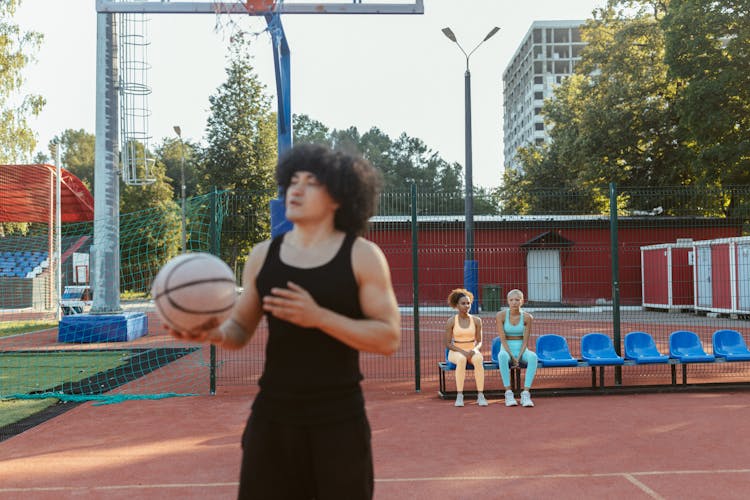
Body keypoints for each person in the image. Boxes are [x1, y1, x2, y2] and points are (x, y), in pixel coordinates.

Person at [166, 143, 401, 500]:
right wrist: (211, 331)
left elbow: (388, 338)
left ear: (338, 197)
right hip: (273, 418)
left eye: (311, 182)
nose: (296, 189)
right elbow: (240, 330)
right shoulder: (263, 256)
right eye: (293, 180)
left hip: (338, 420)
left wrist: (318, 316)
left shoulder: (362, 256)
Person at [444, 288, 489, 407]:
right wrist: (462, 352)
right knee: (461, 359)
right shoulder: (451, 321)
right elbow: (448, 343)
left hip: (471, 350)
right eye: (463, 303)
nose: (466, 306)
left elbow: (479, 341)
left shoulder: (477, 320)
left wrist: (474, 349)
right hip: (456, 351)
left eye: (468, 303)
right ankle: (459, 395)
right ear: (456, 305)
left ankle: (480, 395)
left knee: (479, 359)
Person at [495, 289, 537, 407]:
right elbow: (502, 339)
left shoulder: (527, 317)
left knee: (533, 356)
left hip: (521, 350)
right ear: (507, 301)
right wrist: (512, 356)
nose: (514, 302)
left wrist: (518, 357)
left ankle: (526, 394)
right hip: (506, 349)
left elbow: (525, 341)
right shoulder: (501, 315)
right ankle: (508, 393)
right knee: (502, 356)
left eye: (517, 300)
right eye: (511, 300)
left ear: (522, 301)